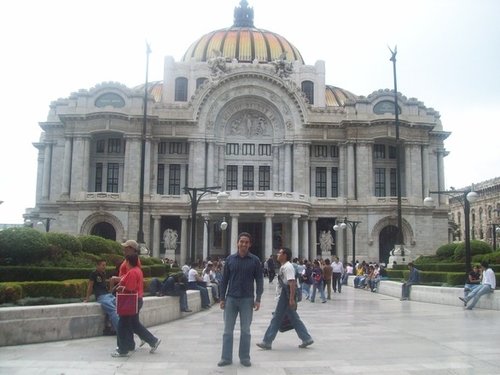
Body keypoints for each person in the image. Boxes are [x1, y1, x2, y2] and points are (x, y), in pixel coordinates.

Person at [218, 232, 264, 368]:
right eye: (241, 241)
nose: (243, 244)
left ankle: (244, 357)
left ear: (249, 245)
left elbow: (260, 280)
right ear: (237, 243)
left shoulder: (255, 260)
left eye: (246, 242)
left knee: (246, 330)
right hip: (231, 298)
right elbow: (224, 280)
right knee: (227, 330)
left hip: (247, 299)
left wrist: (258, 298)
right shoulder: (230, 260)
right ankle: (226, 357)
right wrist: (221, 298)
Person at [256, 247, 314, 351]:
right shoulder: (284, 266)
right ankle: (306, 338)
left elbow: (292, 283)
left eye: (280, 253)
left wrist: (291, 299)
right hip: (285, 295)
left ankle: (267, 341)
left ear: (285, 255)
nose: (277, 254)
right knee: (294, 318)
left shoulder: (288, 267)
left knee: (276, 318)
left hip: (285, 295)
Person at [112, 253, 161, 357]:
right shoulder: (138, 271)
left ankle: (122, 349)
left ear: (128, 262)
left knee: (122, 324)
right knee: (134, 324)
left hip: (130, 301)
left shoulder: (132, 272)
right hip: (136, 300)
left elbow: (131, 288)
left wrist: (121, 288)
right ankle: (153, 341)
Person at [83, 259, 119, 334]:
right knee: (113, 311)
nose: (104, 267)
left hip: (108, 295)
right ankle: (120, 330)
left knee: (120, 307)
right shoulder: (94, 274)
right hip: (101, 296)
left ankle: (112, 328)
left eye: (105, 265)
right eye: (103, 265)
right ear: (98, 265)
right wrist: (87, 298)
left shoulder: (103, 273)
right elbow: (90, 286)